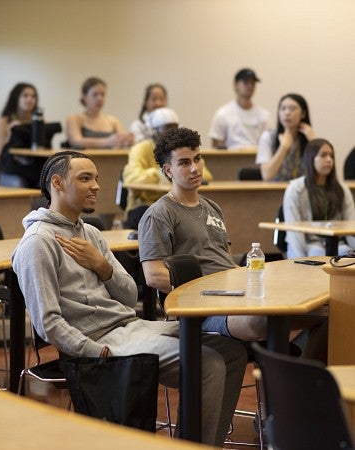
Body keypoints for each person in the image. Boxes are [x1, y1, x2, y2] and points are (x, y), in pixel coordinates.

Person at [11, 150, 247, 446]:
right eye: (85, 178)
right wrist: (95, 350)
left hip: (131, 326)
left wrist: (102, 265)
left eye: (96, 178)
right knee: (207, 363)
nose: (96, 185)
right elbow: (48, 323)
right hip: (102, 341)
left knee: (233, 351)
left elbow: (128, 294)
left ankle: (205, 441)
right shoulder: (37, 244)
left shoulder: (91, 234)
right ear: (57, 183)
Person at [138, 127, 327, 361]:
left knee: (329, 314)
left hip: (236, 298)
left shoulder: (212, 207)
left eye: (198, 159)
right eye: (184, 163)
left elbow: (225, 261)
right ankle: (288, 382)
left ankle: (300, 381)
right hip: (203, 311)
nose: (195, 168)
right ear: (168, 170)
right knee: (264, 321)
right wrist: (209, 292)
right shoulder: (158, 214)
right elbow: (154, 276)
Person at [123, 107, 213, 229]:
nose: (171, 132)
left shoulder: (183, 151)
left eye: (174, 127)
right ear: (154, 130)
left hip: (178, 203)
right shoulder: (141, 149)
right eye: (166, 128)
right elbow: (131, 178)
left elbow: (206, 175)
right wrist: (157, 175)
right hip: (144, 205)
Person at [283, 138, 355, 258]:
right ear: (311, 159)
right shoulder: (295, 189)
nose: (329, 160)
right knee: (317, 254)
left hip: (337, 244)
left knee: (346, 254)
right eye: (323, 155)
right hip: (309, 245)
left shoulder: (342, 189)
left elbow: (351, 224)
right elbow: (294, 232)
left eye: (331, 156)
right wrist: (299, 260)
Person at [0, 82, 46, 188]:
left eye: (33, 96)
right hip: (10, 170)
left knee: (46, 184)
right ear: (16, 98)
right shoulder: (4, 121)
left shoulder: (40, 121)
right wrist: (10, 133)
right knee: (18, 183)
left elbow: (44, 150)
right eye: (25, 95)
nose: (29, 99)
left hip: (33, 169)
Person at [256, 93, 316, 181]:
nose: (287, 112)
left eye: (292, 109)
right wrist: (283, 147)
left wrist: (314, 142)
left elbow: (325, 173)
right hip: (274, 192)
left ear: (303, 114)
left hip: (302, 192)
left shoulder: (309, 137)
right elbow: (266, 176)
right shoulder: (268, 137)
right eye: (283, 108)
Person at [208, 68, 270, 150]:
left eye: (253, 83)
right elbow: (215, 146)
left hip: (256, 160)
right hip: (229, 160)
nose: (250, 86)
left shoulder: (264, 115)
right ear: (235, 85)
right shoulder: (222, 114)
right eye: (246, 82)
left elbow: (267, 146)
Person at [65, 77, 133, 149]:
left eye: (102, 94)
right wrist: (107, 141)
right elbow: (76, 141)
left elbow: (122, 138)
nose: (99, 98)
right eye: (95, 94)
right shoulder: (74, 119)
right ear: (84, 97)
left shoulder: (112, 120)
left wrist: (127, 140)